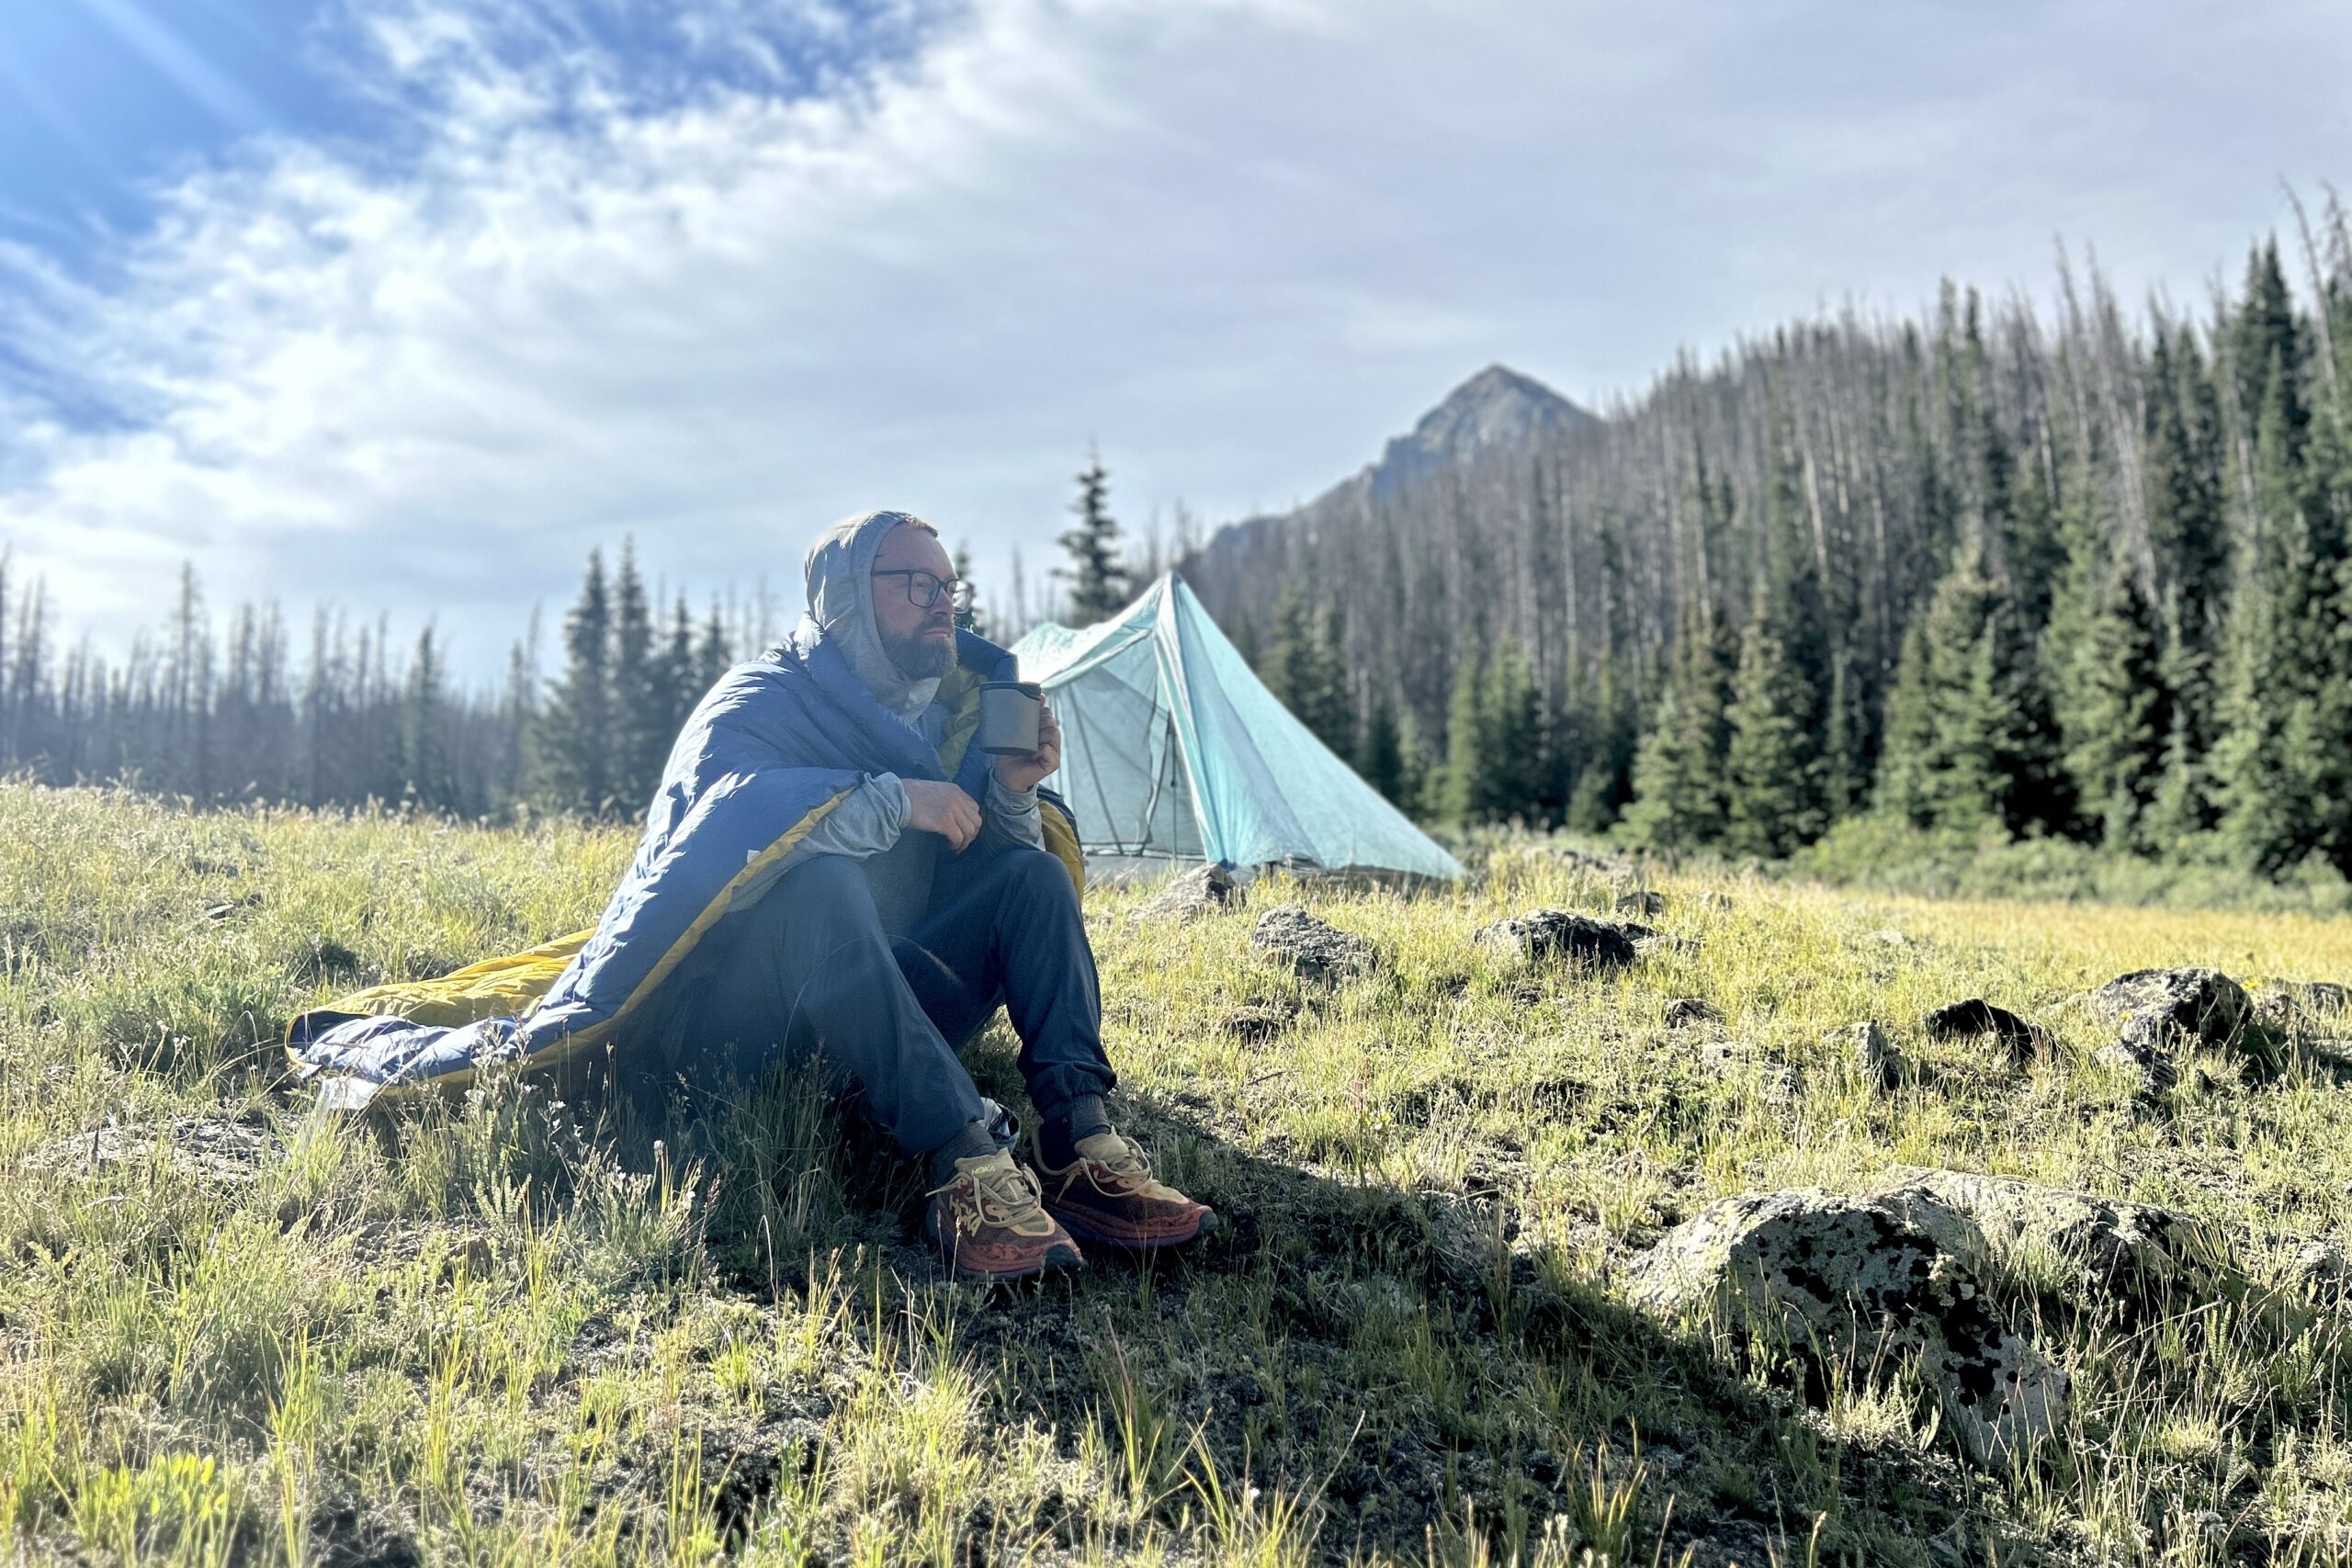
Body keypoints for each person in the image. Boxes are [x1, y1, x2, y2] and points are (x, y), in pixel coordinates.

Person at [623, 509, 1213, 1281]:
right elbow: (718, 846)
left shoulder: (945, 716)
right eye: (916, 583)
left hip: (874, 1012)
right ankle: (966, 1158)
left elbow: (978, 874)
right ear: (846, 600)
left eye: (948, 585)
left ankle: (1079, 1143)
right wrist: (896, 800)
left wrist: (1008, 789)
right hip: (745, 1035)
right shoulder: (761, 701)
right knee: (821, 882)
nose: (944, 602)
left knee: (1030, 877)